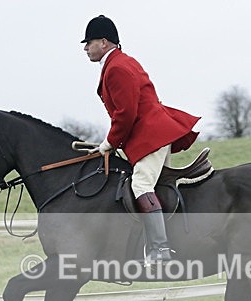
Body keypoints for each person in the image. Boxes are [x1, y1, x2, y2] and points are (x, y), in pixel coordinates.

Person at [81, 15, 200, 263]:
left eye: (88, 42)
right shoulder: (120, 63)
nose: (85, 48)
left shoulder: (117, 68)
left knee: (141, 186)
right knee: (150, 186)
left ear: (103, 42)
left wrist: (109, 143)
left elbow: (126, 114)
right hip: (151, 133)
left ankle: (160, 251)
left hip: (151, 135)